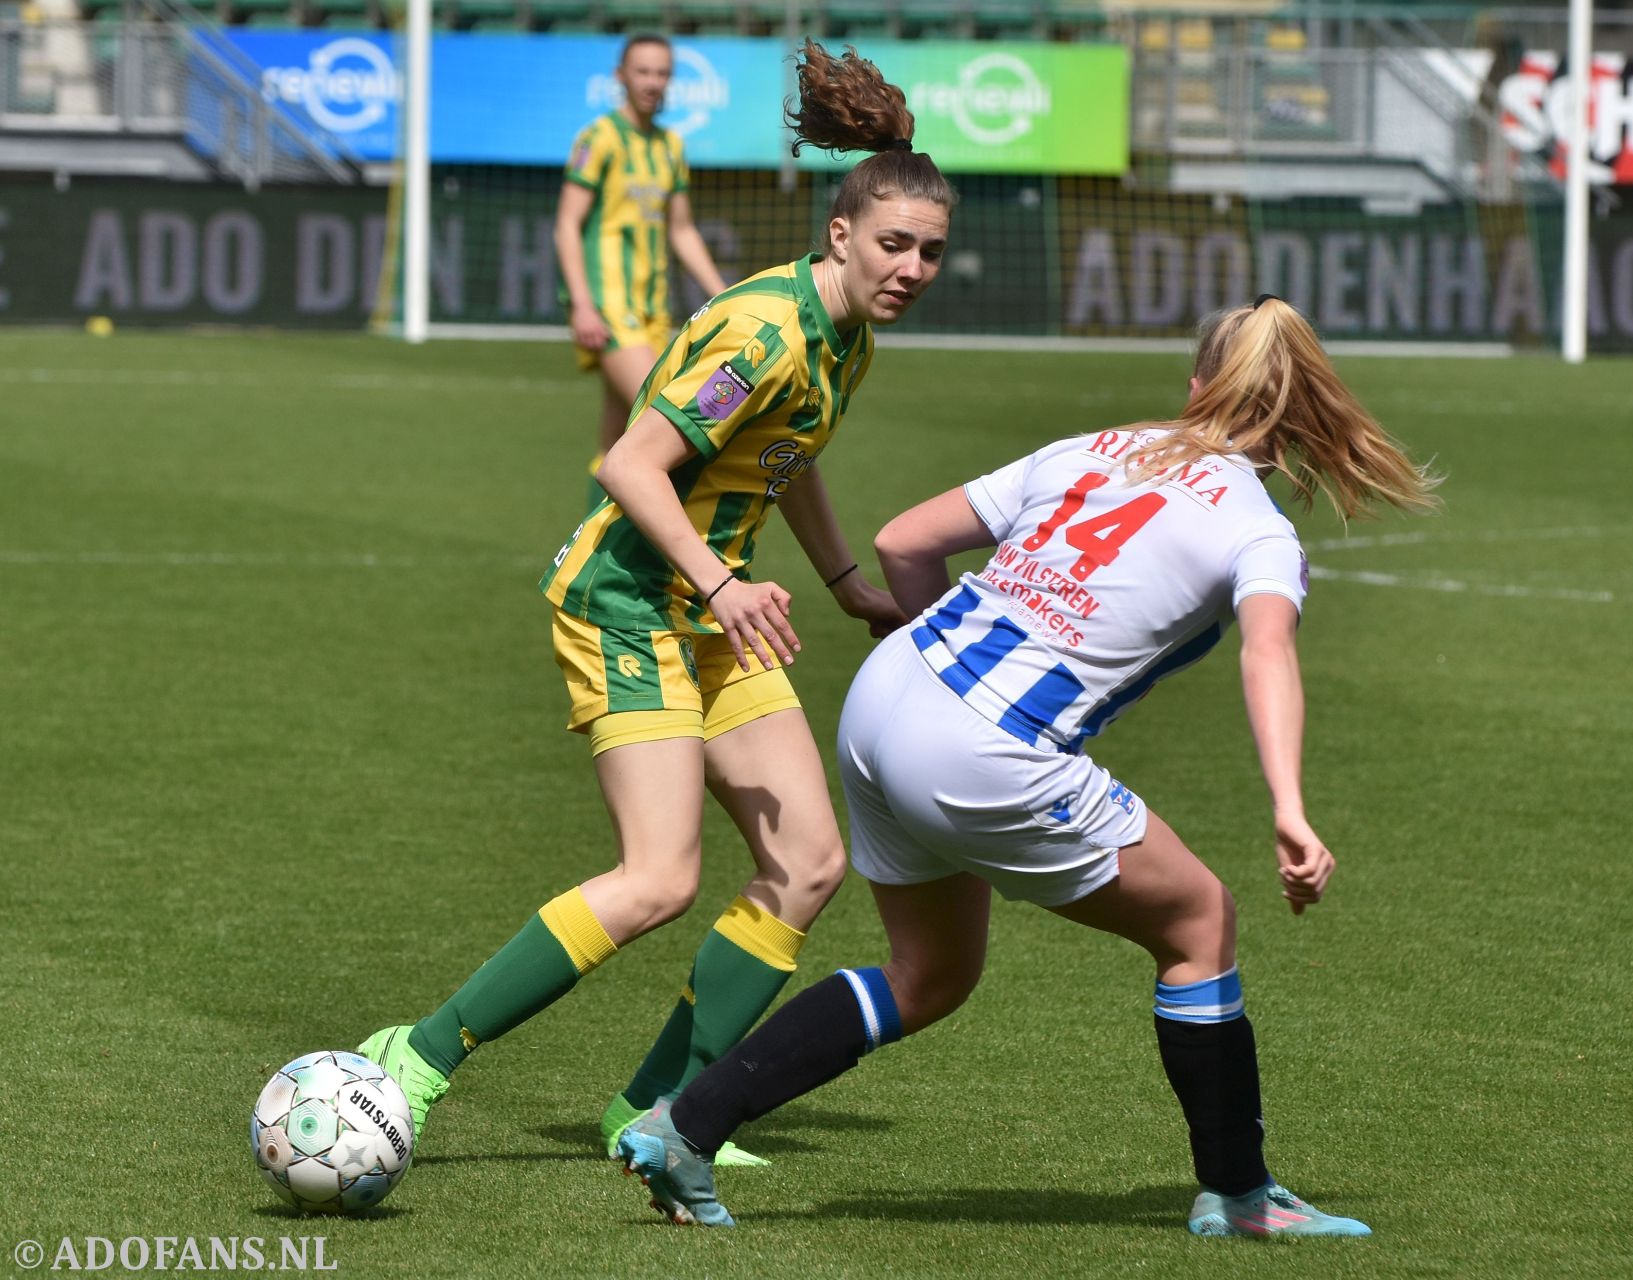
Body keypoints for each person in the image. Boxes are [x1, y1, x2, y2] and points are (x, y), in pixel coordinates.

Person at [614, 295, 1440, 1238]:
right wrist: (1290, 806)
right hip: (982, 745)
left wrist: (938, 676)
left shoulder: (1093, 446)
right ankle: (1244, 1198)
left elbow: (902, 541)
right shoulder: (1256, 530)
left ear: (1197, 385)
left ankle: (687, 1125)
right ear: (1296, 415)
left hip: (889, 691)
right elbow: (1268, 654)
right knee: (1200, 921)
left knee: (929, 975)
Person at [360, 41, 954, 1182]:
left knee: (809, 861)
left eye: (930, 250)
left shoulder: (847, 340)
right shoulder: (764, 330)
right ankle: (418, 1054)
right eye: (893, 244)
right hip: (628, 600)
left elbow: (793, 456)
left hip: (712, 612)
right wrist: (729, 583)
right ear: (840, 234)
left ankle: (655, 1107)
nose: (913, 266)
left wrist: (840, 585)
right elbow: (632, 463)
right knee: (658, 878)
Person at [555, 35, 730, 465]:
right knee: (664, 420)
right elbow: (566, 224)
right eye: (643, 72)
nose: (653, 82)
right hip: (610, 306)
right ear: (621, 77)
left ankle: (592, 534)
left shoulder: (670, 146)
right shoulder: (599, 139)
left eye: (662, 73)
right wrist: (582, 304)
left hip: (653, 308)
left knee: (618, 439)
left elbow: (682, 231)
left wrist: (725, 296)